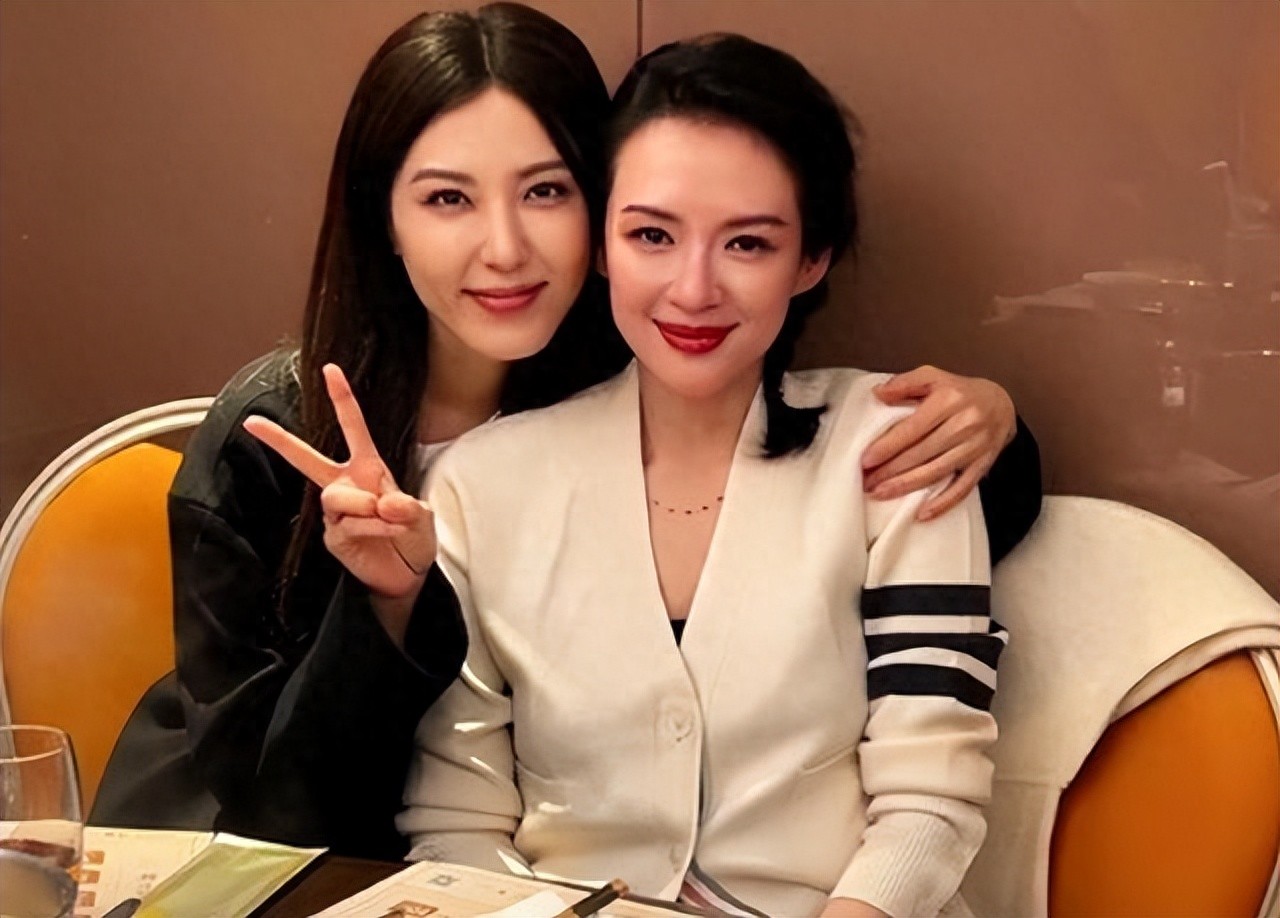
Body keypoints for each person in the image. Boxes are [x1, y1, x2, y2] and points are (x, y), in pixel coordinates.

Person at [93, 3, 1033, 860]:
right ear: (385, 218)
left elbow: (871, 510)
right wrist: (387, 605)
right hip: (236, 850)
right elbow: (275, 815)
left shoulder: (643, 363)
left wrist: (992, 423)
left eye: (545, 191)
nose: (505, 249)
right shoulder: (273, 437)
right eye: (447, 198)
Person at [398, 33, 1009, 917]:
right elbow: (456, 815)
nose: (692, 290)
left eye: (748, 244)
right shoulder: (480, 485)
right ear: (601, 244)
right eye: (651, 235)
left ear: (811, 259)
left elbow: (932, 799)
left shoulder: (897, 449)